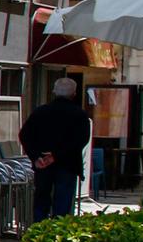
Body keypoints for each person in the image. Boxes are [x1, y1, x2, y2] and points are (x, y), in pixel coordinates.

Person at [21, 77, 91, 222]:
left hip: (43, 163)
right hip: (68, 164)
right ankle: (58, 234)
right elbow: (80, 140)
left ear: (54, 92)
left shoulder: (40, 112)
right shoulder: (79, 114)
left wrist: (36, 157)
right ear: (74, 94)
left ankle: (39, 232)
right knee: (63, 203)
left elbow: (25, 135)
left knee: (41, 199)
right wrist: (56, 156)